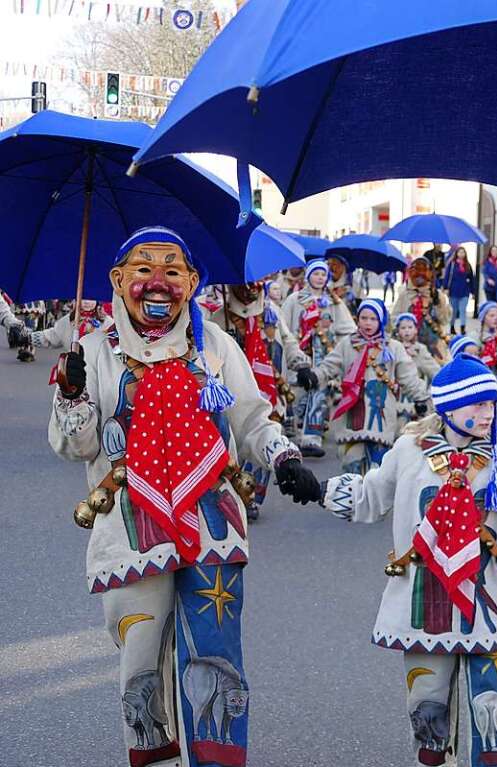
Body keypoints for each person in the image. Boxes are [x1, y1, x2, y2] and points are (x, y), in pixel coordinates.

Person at [49, 226, 320, 767]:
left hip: (210, 519)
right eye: (142, 270)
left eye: (172, 271)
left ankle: (215, 758)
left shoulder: (215, 344)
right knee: (141, 658)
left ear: (193, 281)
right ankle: (155, 752)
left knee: (214, 654)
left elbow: (251, 418)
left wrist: (283, 457)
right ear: (117, 279)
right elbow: (76, 447)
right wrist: (73, 393)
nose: (158, 283)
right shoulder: (96, 348)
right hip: (131, 524)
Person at [319, 354, 497, 767]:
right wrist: (319, 490)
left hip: (484, 608)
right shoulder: (409, 450)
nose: (488, 413)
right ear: (449, 407)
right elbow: (370, 497)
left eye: (491, 403)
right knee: (427, 709)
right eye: (478, 404)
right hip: (424, 605)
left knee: (491, 709)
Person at [208, 280, 310, 521]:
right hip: (234, 391)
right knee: (234, 446)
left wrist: (301, 364)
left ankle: (251, 496)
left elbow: (288, 341)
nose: (250, 290)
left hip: (269, 389)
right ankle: (236, 493)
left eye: (256, 285)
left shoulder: (271, 314)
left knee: (262, 432)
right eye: (244, 286)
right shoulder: (217, 320)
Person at [297, 298, 429, 475]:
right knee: (351, 468)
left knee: (379, 473)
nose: (368, 323)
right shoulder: (347, 344)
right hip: (352, 419)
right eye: (364, 318)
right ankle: (352, 501)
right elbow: (329, 366)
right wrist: (313, 376)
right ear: (357, 319)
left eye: (373, 319)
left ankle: (375, 502)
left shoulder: (392, 347)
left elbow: (408, 377)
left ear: (381, 321)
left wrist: (421, 398)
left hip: (381, 422)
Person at [282, 259, 356, 457]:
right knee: (298, 396)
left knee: (319, 394)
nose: (320, 278)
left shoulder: (333, 302)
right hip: (301, 354)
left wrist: (342, 346)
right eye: (316, 274)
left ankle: (311, 438)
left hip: (324, 356)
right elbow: (285, 327)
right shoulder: (295, 299)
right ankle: (292, 435)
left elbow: (348, 328)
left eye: (323, 275)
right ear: (308, 276)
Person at [392, 256, 453, 362]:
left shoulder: (437, 295)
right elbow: (394, 318)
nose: (420, 276)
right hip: (409, 346)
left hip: (433, 346)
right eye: (416, 271)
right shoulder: (405, 295)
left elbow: (445, 320)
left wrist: (438, 303)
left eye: (423, 271)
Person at [394, 312, 441, 433]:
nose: (407, 331)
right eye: (403, 328)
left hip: (417, 397)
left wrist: (432, 389)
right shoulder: (393, 349)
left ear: (416, 330)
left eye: (410, 327)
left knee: (416, 429)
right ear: (398, 331)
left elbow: (434, 370)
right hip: (397, 395)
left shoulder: (420, 350)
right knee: (398, 429)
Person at [30, 298, 113, 351]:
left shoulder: (107, 322)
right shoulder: (68, 320)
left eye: (91, 299)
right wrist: (27, 338)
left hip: (99, 370)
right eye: (83, 298)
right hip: (74, 370)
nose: (87, 302)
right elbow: (52, 336)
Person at [443, 246, 476, 335]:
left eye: (463, 252)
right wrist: (445, 287)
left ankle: (462, 327)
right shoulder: (452, 264)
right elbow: (447, 277)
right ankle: (452, 326)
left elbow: (472, 279)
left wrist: (473, 292)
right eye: (460, 252)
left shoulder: (468, 265)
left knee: (463, 310)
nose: (461, 254)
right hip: (453, 291)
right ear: (456, 254)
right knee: (453, 310)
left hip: (465, 291)